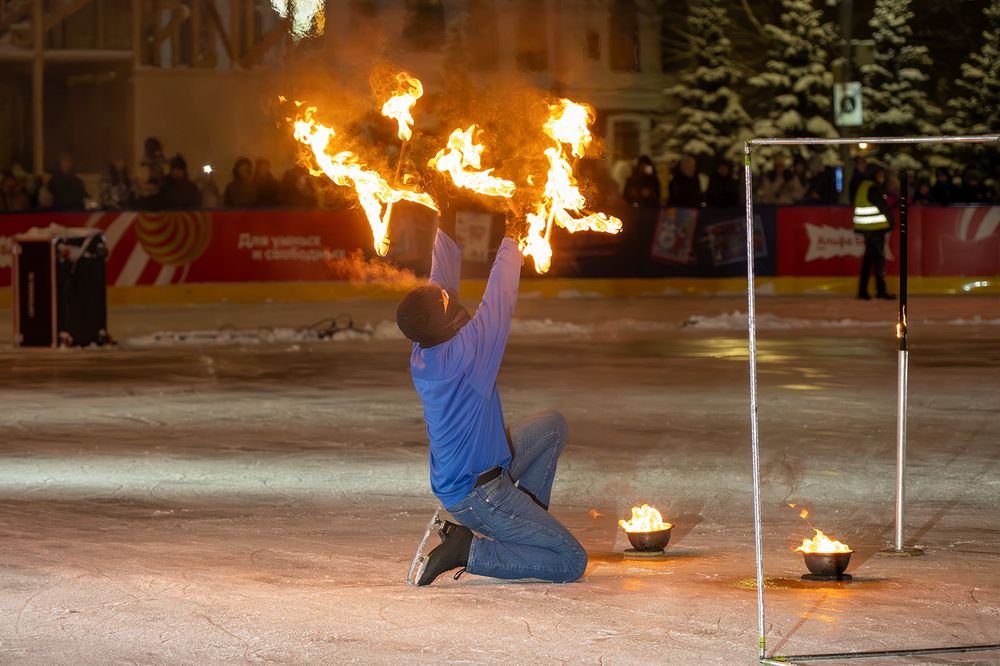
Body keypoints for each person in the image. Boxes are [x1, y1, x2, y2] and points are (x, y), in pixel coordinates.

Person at [397, 201, 587, 587]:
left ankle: (523, 529)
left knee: (551, 426)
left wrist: (447, 214)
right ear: (444, 320)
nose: (450, 296)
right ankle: (469, 551)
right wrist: (514, 232)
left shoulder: (425, 346)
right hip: (478, 494)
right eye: (446, 301)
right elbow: (500, 296)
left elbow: (440, 279)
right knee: (571, 562)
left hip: (474, 473)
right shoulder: (467, 355)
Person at [853, 165, 895, 300]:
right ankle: (880, 291)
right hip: (875, 229)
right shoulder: (872, 188)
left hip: (866, 229)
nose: (882, 178)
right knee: (878, 261)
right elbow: (883, 206)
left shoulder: (863, 186)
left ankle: (863, 291)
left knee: (869, 260)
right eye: (880, 175)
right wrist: (891, 222)